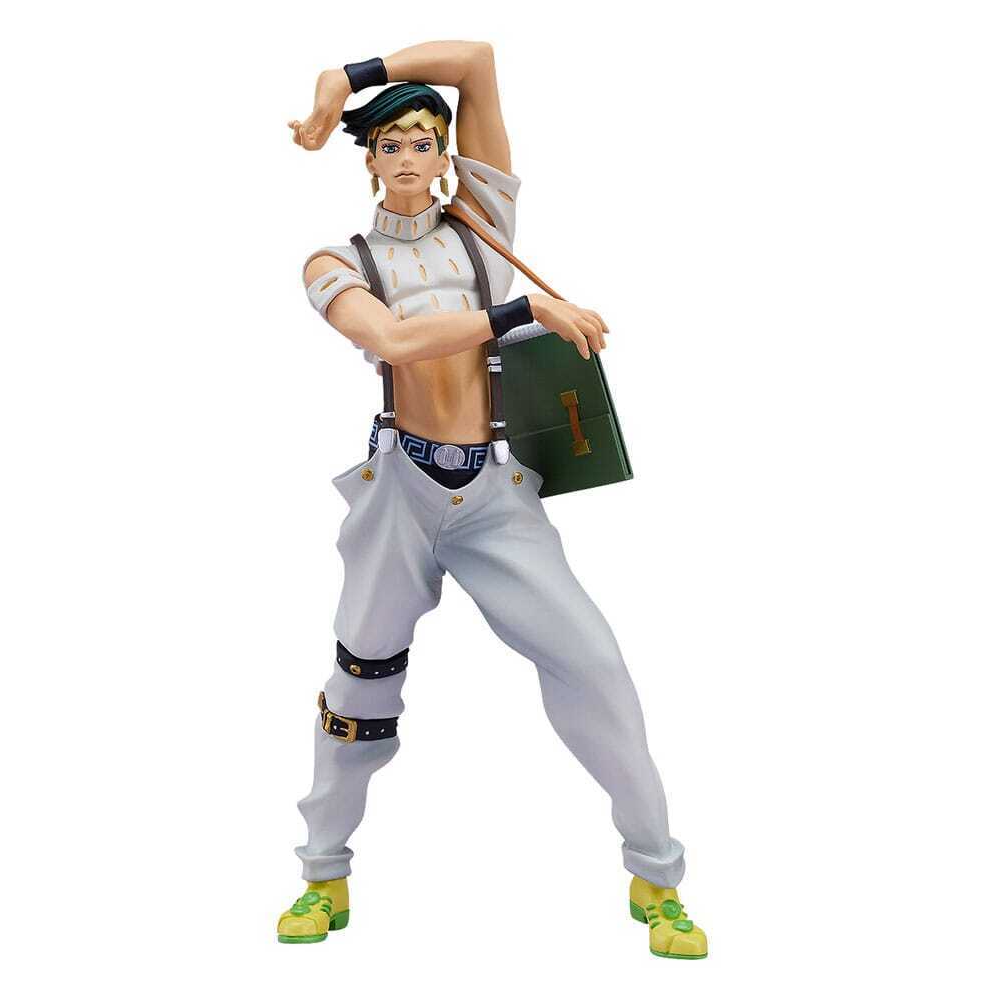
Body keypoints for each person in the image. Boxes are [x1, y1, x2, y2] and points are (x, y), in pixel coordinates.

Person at [278, 40, 707, 960]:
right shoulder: (333, 261)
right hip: (399, 494)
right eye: (389, 143)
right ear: (368, 161)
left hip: (494, 493)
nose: (408, 157)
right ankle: (322, 873)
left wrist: (347, 78)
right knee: (360, 688)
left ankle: (657, 875)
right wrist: (522, 312)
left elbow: (474, 59)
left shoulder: (482, 227)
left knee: (595, 667)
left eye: (424, 141)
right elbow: (395, 341)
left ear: (446, 155)